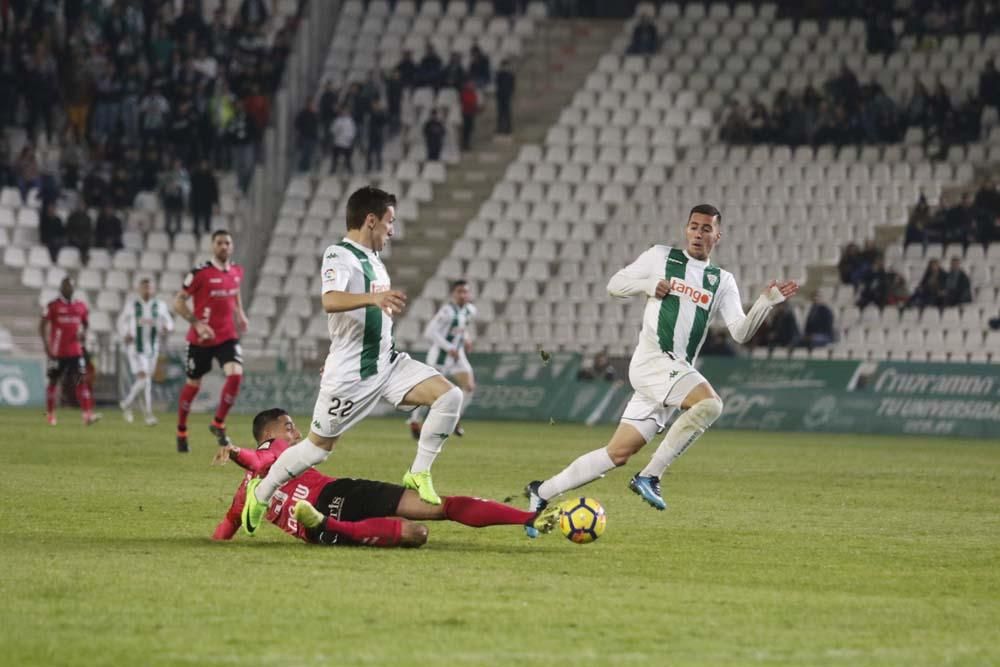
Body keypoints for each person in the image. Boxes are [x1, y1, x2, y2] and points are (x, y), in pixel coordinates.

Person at [523, 205, 798, 533]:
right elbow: (615, 284)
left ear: (717, 236)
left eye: (706, 229)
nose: (698, 233)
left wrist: (765, 302)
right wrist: (647, 285)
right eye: (694, 227)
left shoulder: (722, 280)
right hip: (652, 361)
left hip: (673, 370)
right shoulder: (660, 257)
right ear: (686, 230)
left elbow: (740, 332)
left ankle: (541, 492)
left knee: (618, 453)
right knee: (710, 404)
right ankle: (649, 476)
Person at [240, 187, 465, 536]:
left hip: (387, 364)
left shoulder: (375, 261)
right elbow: (330, 301)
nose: (392, 229)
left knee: (450, 396)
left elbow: (368, 321)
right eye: (389, 222)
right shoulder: (338, 254)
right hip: (350, 376)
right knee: (316, 450)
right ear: (371, 220)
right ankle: (263, 491)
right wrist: (372, 300)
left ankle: (418, 472)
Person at [213, 408, 559, 547]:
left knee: (435, 512)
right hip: (332, 501)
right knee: (418, 532)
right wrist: (235, 451)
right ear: (270, 431)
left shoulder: (243, 499)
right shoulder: (274, 449)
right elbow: (260, 457)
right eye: (290, 426)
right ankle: (329, 525)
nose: (296, 431)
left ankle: (528, 517)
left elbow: (226, 528)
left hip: (340, 494)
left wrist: (216, 545)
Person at [172, 230, 249, 454]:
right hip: (201, 339)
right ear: (212, 246)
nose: (224, 246)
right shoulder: (200, 273)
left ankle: (218, 423)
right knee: (193, 385)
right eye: (219, 243)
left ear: (232, 246)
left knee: (235, 374)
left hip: (226, 336)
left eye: (227, 242)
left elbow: (235, 293)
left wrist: (241, 314)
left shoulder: (236, 271)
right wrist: (196, 324)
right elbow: (178, 302)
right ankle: (181, 431)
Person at [408, 280, 478, 439]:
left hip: (458, 356)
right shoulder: (447, 311)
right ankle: (414, 421)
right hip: (440, 356)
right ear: (454, 294)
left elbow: (461, 329)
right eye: (459, 291)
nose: (463, 295)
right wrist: (448, 347)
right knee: (427, 392)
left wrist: (466, 339)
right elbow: (430, 332)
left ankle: (455, 419)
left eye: (465, 292)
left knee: (469, 387)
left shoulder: (471, 310)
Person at [39, 277, 100, 426]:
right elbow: (42, 325)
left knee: (81, 382)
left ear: (74, 288)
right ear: (61, 288)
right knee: (53, 382)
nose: (68, 289)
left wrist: (84, 333)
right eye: (65, 286)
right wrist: (46, 345)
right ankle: (50, 415)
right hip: (57, 353)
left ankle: (87, 416)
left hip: (75, 352)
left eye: (70, 286)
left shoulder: (80, 306)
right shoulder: (53, 306)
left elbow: (86, 323)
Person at [117, 278, 174, 425]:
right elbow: (121, 321)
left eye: (149, 287)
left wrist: (168, 327)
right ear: (139, 289)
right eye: (144, 287)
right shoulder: (132, 305)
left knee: (145, 382)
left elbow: (169, 321)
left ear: (153, 289)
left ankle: (137, 410)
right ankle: (128, 403)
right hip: (135, 348)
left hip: (152, 348)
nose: (146, 290)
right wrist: (125, 334)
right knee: (145, 378)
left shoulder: (159, 305)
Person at [189, 160, 219, 238]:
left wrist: (215, 202)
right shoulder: (195, 176)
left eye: (205, 164)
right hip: (197, 201)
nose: (204, 166)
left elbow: (214, 190)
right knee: (196, 219)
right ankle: (195, 233)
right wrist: (191, 203)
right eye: (202, 164)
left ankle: (207, 232)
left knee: (207, 218)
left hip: (207, 201)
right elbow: (192, 190)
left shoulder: (210, 176)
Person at [65, 201, 94, 266]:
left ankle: (83, 258)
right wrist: (74, 238)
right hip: (74, 239)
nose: (81, 207)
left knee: (86, 243)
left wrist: (85, 238)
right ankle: (83, 258)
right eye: (80, 205)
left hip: (84, 239)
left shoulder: (87, 218)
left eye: (83, 205)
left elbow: (89, 230)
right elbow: (69, 230)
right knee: (79, 243)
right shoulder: (72, 217)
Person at [329, 106, 356, 174]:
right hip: (337, 142)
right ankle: (333, 170)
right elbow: (332, 130)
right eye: (343, 111)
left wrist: (349, 138)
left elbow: (352, 131)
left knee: (348, 159)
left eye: (346, 111)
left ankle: (350, 171)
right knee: (335, 158)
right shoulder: (337, 120)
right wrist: (337, 130)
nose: (344, 112)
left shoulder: (350, 121)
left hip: (347, 142)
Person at [495, 59, 515, 135]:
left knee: (507, 113)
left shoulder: (511, 75)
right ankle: (500, 128)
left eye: (506, 66)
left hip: (507, 96)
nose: (505, 67)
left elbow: (512, 86)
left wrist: (511, 94)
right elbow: (497, 85)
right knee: (500, 113)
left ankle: (508, 128)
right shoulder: (499, 75)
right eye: (503, 66)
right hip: (500, 96)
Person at [460, 79, 479, 151]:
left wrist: (475, 108)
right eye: (470, 84)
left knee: (470, 129)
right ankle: (464, 144)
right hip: (465, 113)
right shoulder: (464, 92)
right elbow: (465, 102)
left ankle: (467, 143)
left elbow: (474, 102)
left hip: (471, 114)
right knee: (465, 130)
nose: (472, 85)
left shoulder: (473, 93)